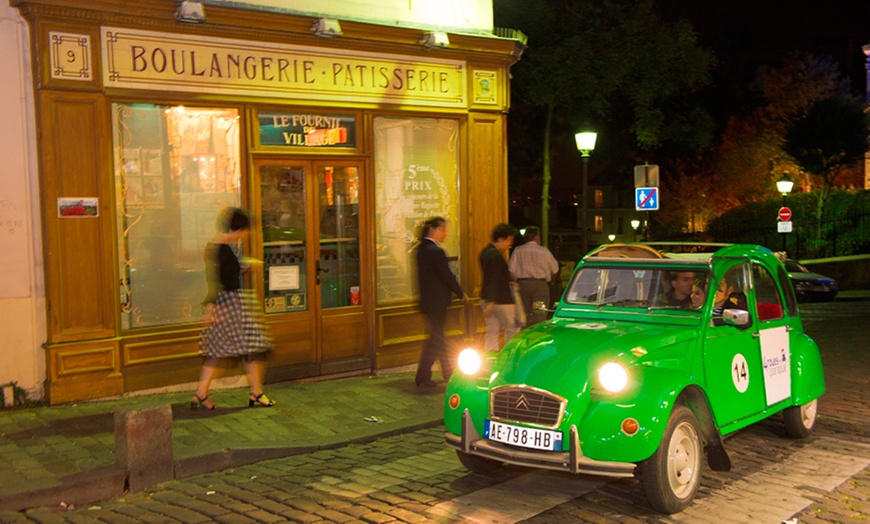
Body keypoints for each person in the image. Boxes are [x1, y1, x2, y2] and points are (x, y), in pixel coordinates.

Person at [193, 207, 274, 409]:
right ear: (236, 229)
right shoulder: (222, 250)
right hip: (229, 305)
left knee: (218, 351)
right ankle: (256, 392)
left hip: (224, 303)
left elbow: (223, 274)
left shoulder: (217, 247)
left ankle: (201, 393)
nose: (242, 235)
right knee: (253, 349)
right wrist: (211, 309)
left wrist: (243, 265)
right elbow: (218, 280)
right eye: (242, 231)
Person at [415, 217, 468, 387]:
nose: (445, 234)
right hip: (437, 301)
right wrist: (460, 293)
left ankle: (446, 372)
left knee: (437, 338)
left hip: (428, 301)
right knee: (436, 339)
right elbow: (446, 275)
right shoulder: (435, 251)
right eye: (443, 230)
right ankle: (424, 376)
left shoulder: (421, 249)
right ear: (434, 230)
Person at [508, 226, 560, 326]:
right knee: (540, 313)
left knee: (524, 313)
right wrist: (551, 282)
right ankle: (537, 334)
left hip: (522, 284)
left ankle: (525, 333)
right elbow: (555, 269)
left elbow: (511, 271)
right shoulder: (544, 251)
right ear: (537, 237)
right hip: (540, 285)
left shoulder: (518, 251)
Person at [480, 223, 519, 351]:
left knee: (492, 331)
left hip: (486, 297)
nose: (510, 244)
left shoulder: (485, 252)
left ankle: (490, 359)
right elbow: (494, 279)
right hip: (501, 300)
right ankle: (508, 356)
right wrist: (492, 301)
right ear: (501, 239)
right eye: (509, 240)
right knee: (512, 329)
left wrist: (489, 301)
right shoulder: (496, 256)